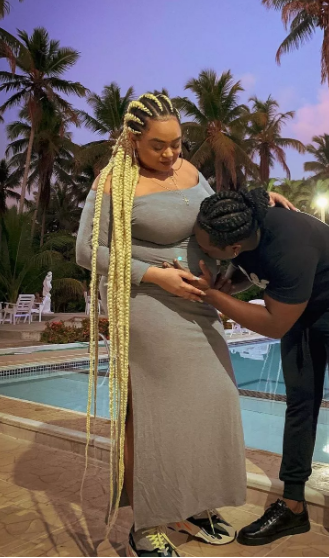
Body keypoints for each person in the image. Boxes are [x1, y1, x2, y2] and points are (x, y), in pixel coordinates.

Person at [75, 93, 294, 558]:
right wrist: (155, 276)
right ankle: (147, 526)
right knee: (160, 416)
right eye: (158, 145)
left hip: (198, 300)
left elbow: (218, 214)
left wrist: (257, 201)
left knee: (217, 397)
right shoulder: (113, 181)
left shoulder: (190, 171)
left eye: (176, 143)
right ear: (133, 140)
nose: (170, 153)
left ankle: (189, 504)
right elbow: (87, 251)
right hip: (146, 301)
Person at [192, 189, 329, 558]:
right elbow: (255, 269)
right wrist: (231, 283)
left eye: (206, 248)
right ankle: (293, 506)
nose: (202, 252)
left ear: (233, 248)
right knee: (300, 402)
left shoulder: (289, 246)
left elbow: (275, 323)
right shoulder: (239, 217)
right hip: (301, 301)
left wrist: (213, 296)